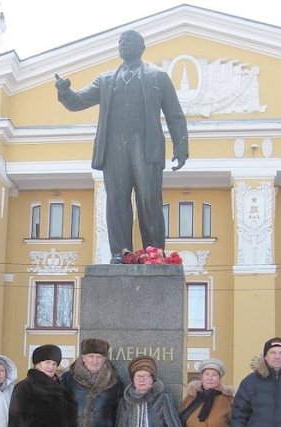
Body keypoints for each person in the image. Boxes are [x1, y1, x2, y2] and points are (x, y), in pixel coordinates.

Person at [55, 29, 188, 263]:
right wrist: (64, 91)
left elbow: (174, 114)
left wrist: (181, 145)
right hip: (114, 146)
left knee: (148, 199)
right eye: (120, 42)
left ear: (141, 47)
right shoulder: (106, 80)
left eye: (127, 41)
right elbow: (79, 101)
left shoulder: (158, 77)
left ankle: (153, 253)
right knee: (116, 199)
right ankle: (120, 253)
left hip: (145, 145)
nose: (122, 45)